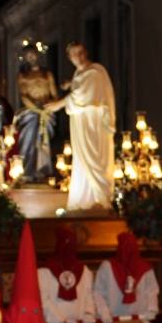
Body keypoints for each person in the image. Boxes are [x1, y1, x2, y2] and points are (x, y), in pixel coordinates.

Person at [43, 42, 115, 211]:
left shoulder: (95, 72)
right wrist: (71, 84)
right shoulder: (81, 74)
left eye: (81, 52)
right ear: (70, 58)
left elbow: (83, 95)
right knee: (81, 159)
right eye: (75, 54)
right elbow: (80, 87)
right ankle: (83, 200)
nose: (79, 56)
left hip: (92, 123)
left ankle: (100, 199)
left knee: (92, 156)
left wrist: (59, 104)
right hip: (81, 123)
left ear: (86, 52)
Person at [15, 45, 60, 182]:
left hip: (46, 112)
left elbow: (54, 94)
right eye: (28, 56)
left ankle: (44, 171)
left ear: (37, 55)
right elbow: (23, 96)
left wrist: (49, 107)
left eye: (32, 54)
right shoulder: (23, 76)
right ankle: (28, 172)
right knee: (29, 140)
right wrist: (36, 108)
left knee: (44, 142)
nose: (31, 58)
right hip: (30, 113)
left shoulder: (47, 75)